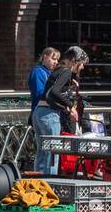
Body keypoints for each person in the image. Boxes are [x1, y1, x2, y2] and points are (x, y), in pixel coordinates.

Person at [32, 46, 88, 174]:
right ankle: (49, 186)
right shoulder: (66, 71)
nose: (83, 67)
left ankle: (37, 185)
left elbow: (50, 94)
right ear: (76, 61)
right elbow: (54, 92)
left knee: (42, 153)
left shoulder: (58, 70)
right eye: (82, 64)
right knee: (52, 154)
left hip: (39, 112)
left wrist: (66, 107)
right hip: (49, 115)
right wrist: (71, 107)